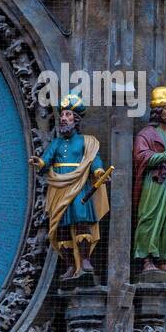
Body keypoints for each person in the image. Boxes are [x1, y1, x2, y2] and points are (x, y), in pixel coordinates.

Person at [30, 92, 109, 280]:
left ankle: (85, 259)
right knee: (62, 227)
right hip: (59, 188)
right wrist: (39, 163)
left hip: (80, 185)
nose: (64, 119)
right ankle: (70, 265)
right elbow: (46, 161)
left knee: (82, 222)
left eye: (68, 115)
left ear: (76, 119)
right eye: (63, 115)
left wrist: (99, 173)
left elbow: (94, 161)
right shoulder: (56, 143)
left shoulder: (86, 142)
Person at [133, 86, 166, 276]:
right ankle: (147, 259)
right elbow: (142, 157)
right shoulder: (146, 134)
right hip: (154, 183)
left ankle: (164, 261)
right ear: (158, 111)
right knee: (149, 218)